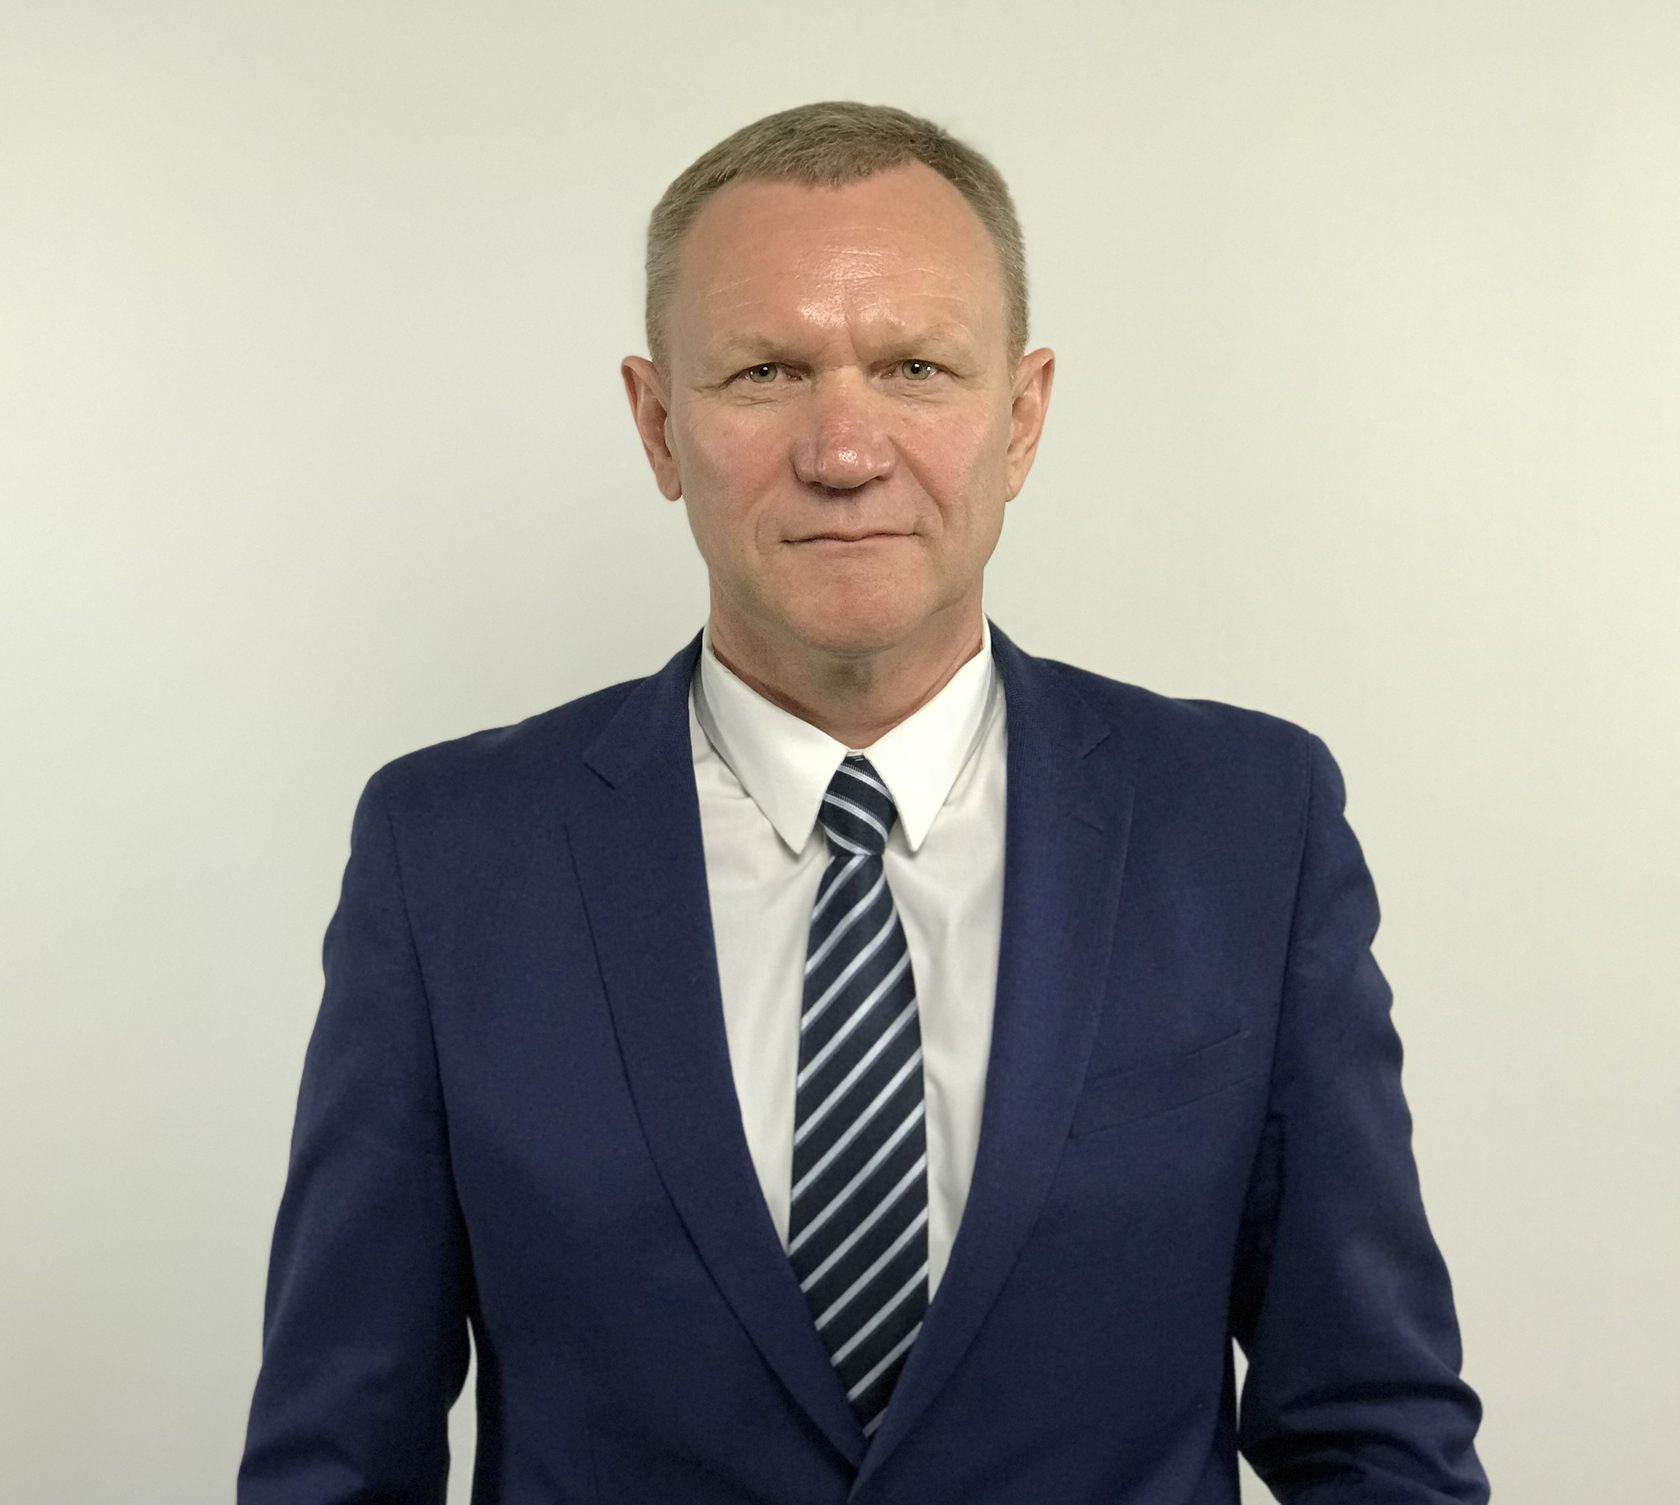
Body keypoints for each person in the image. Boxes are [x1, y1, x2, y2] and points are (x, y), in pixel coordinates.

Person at [239, 102, 1488, 1503]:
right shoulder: (449, 860)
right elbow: (335, 1464)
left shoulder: (1249, 828)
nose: (845, 451)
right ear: (658, 424)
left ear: (1021, 418)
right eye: (766, 372)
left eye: (915, 368)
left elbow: (1377, 1435)